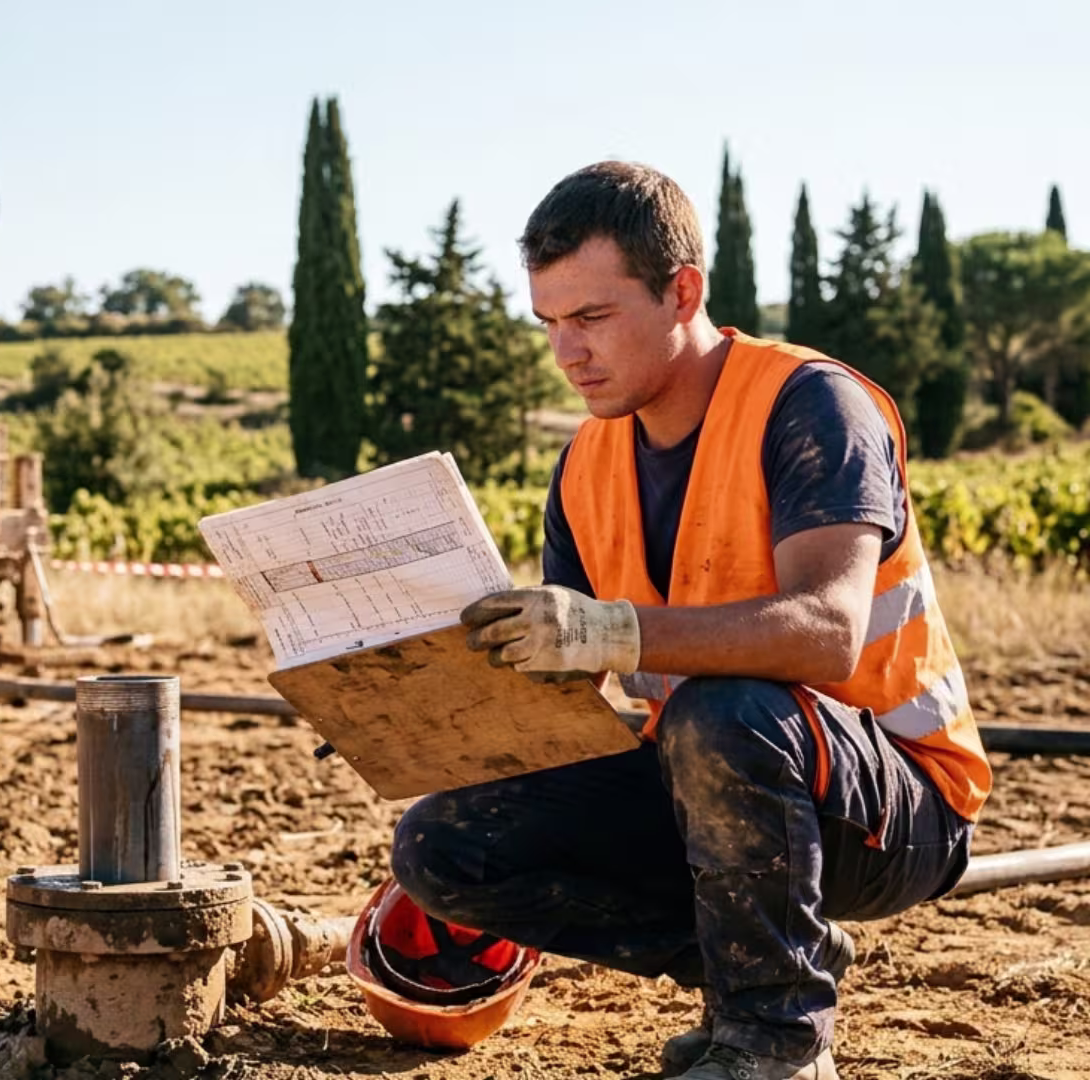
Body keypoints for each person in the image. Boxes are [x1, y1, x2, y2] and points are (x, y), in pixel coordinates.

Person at [389, 162, 990, 1080]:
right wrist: (421, 700)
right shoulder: (585, 466)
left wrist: (607, 630)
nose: (567, 351)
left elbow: (825, 630)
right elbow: (573, 698)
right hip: (713, 783)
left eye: (591, 318)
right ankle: (780, 964)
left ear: (683, 291)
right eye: (549, 323)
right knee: (441, 845)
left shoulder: (813, 405)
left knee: (725, 712)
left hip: (892, 805)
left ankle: (775, 1043)